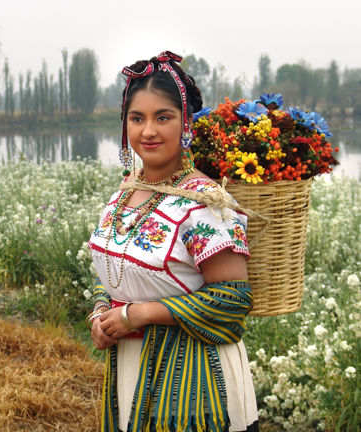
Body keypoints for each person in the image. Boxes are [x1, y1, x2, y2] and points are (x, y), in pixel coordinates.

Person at [87, 51, 258, 432]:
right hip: (131, 366)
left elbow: (232, 300)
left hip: (194, 377)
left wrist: (139, 314)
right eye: (137, 118)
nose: (148, 131)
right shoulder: (126, 193)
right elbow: (116, 270)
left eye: (162, 117)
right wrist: (100, 314)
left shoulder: (206, 202)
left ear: (187, 122)